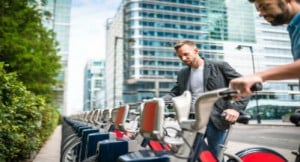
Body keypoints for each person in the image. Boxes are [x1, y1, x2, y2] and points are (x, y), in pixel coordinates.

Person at [163, 40, 249, 158]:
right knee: (189, 154)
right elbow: (175, 93)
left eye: (186, 54)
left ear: (196, 51)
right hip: (191, 120)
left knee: (214, 155)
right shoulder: (183, 73)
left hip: (214, 119)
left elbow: (245, 85)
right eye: (180, 56)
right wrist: (157, 101)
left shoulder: (219, 66)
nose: (183, 58)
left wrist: (235, 109)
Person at [230, 0, 300, 97]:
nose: (261, 14)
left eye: (265, 7)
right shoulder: (294, 27)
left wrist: (259, 76)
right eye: (259, 10)